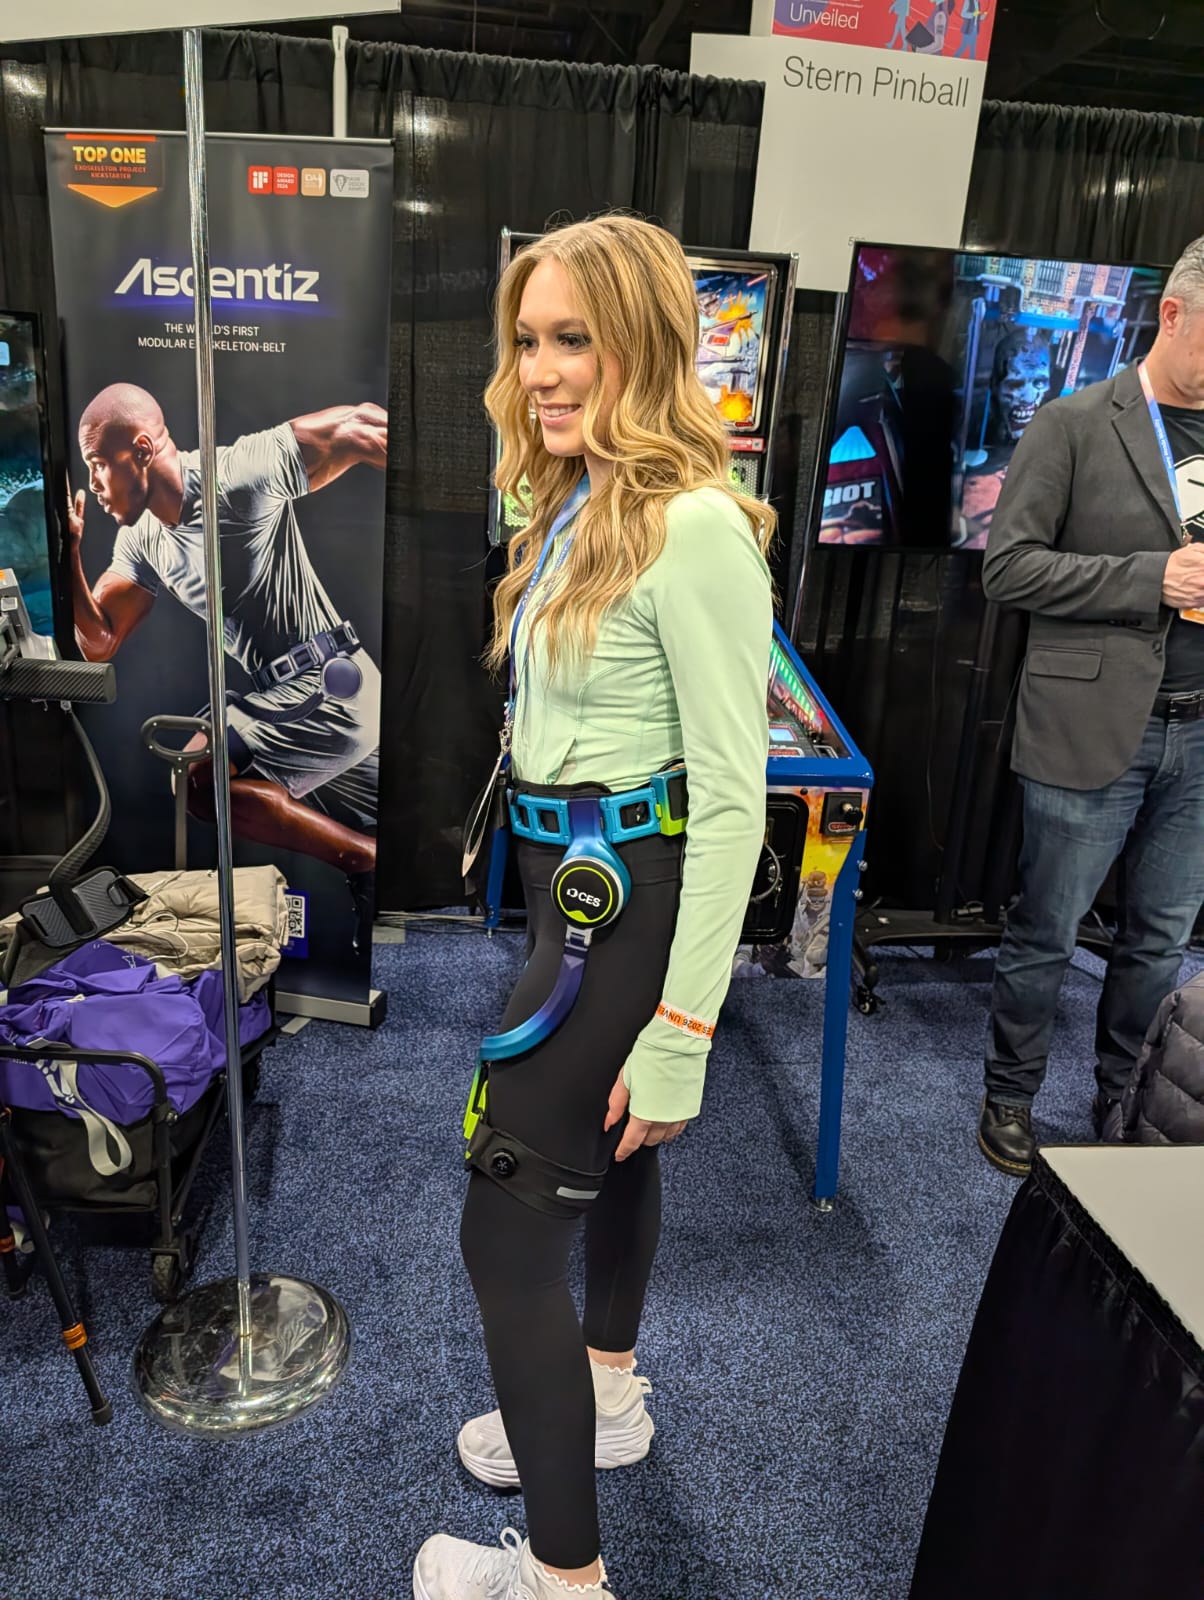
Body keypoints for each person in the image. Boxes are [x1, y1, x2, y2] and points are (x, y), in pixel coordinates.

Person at [412, 217, 773, 1598]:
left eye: (575, 338)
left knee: (502, 1233)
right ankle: (607, 1392)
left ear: (648, 346)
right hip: (572, 897)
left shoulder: (695, 528)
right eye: (527, 339)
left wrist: (683, 1029)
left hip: (625, 915)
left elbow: (734, 801)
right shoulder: (576, 499)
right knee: (615, 1158)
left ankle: (564, 1582)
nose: (542, 370)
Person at [977, 236, 1204, 1176]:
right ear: (1174, 315)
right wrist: (1153, 577)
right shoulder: (1072, 423)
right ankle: (1010, 1096)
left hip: (1200, 734)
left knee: (1162, 939)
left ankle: (1127, 1097)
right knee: (1048, 929)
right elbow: (1009, 568)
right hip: (1091, 725)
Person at [66, 384, 386, 946]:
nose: (92, 482)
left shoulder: (235, 475)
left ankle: (365, 860)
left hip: (330, 687)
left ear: (141, 450)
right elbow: (100, 641)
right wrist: (68, 552)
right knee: (208, 766)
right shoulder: (139, 539)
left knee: (199, 775)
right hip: (293, 699)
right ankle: (368, 864)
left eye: (97, 462)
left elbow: (358, 425)